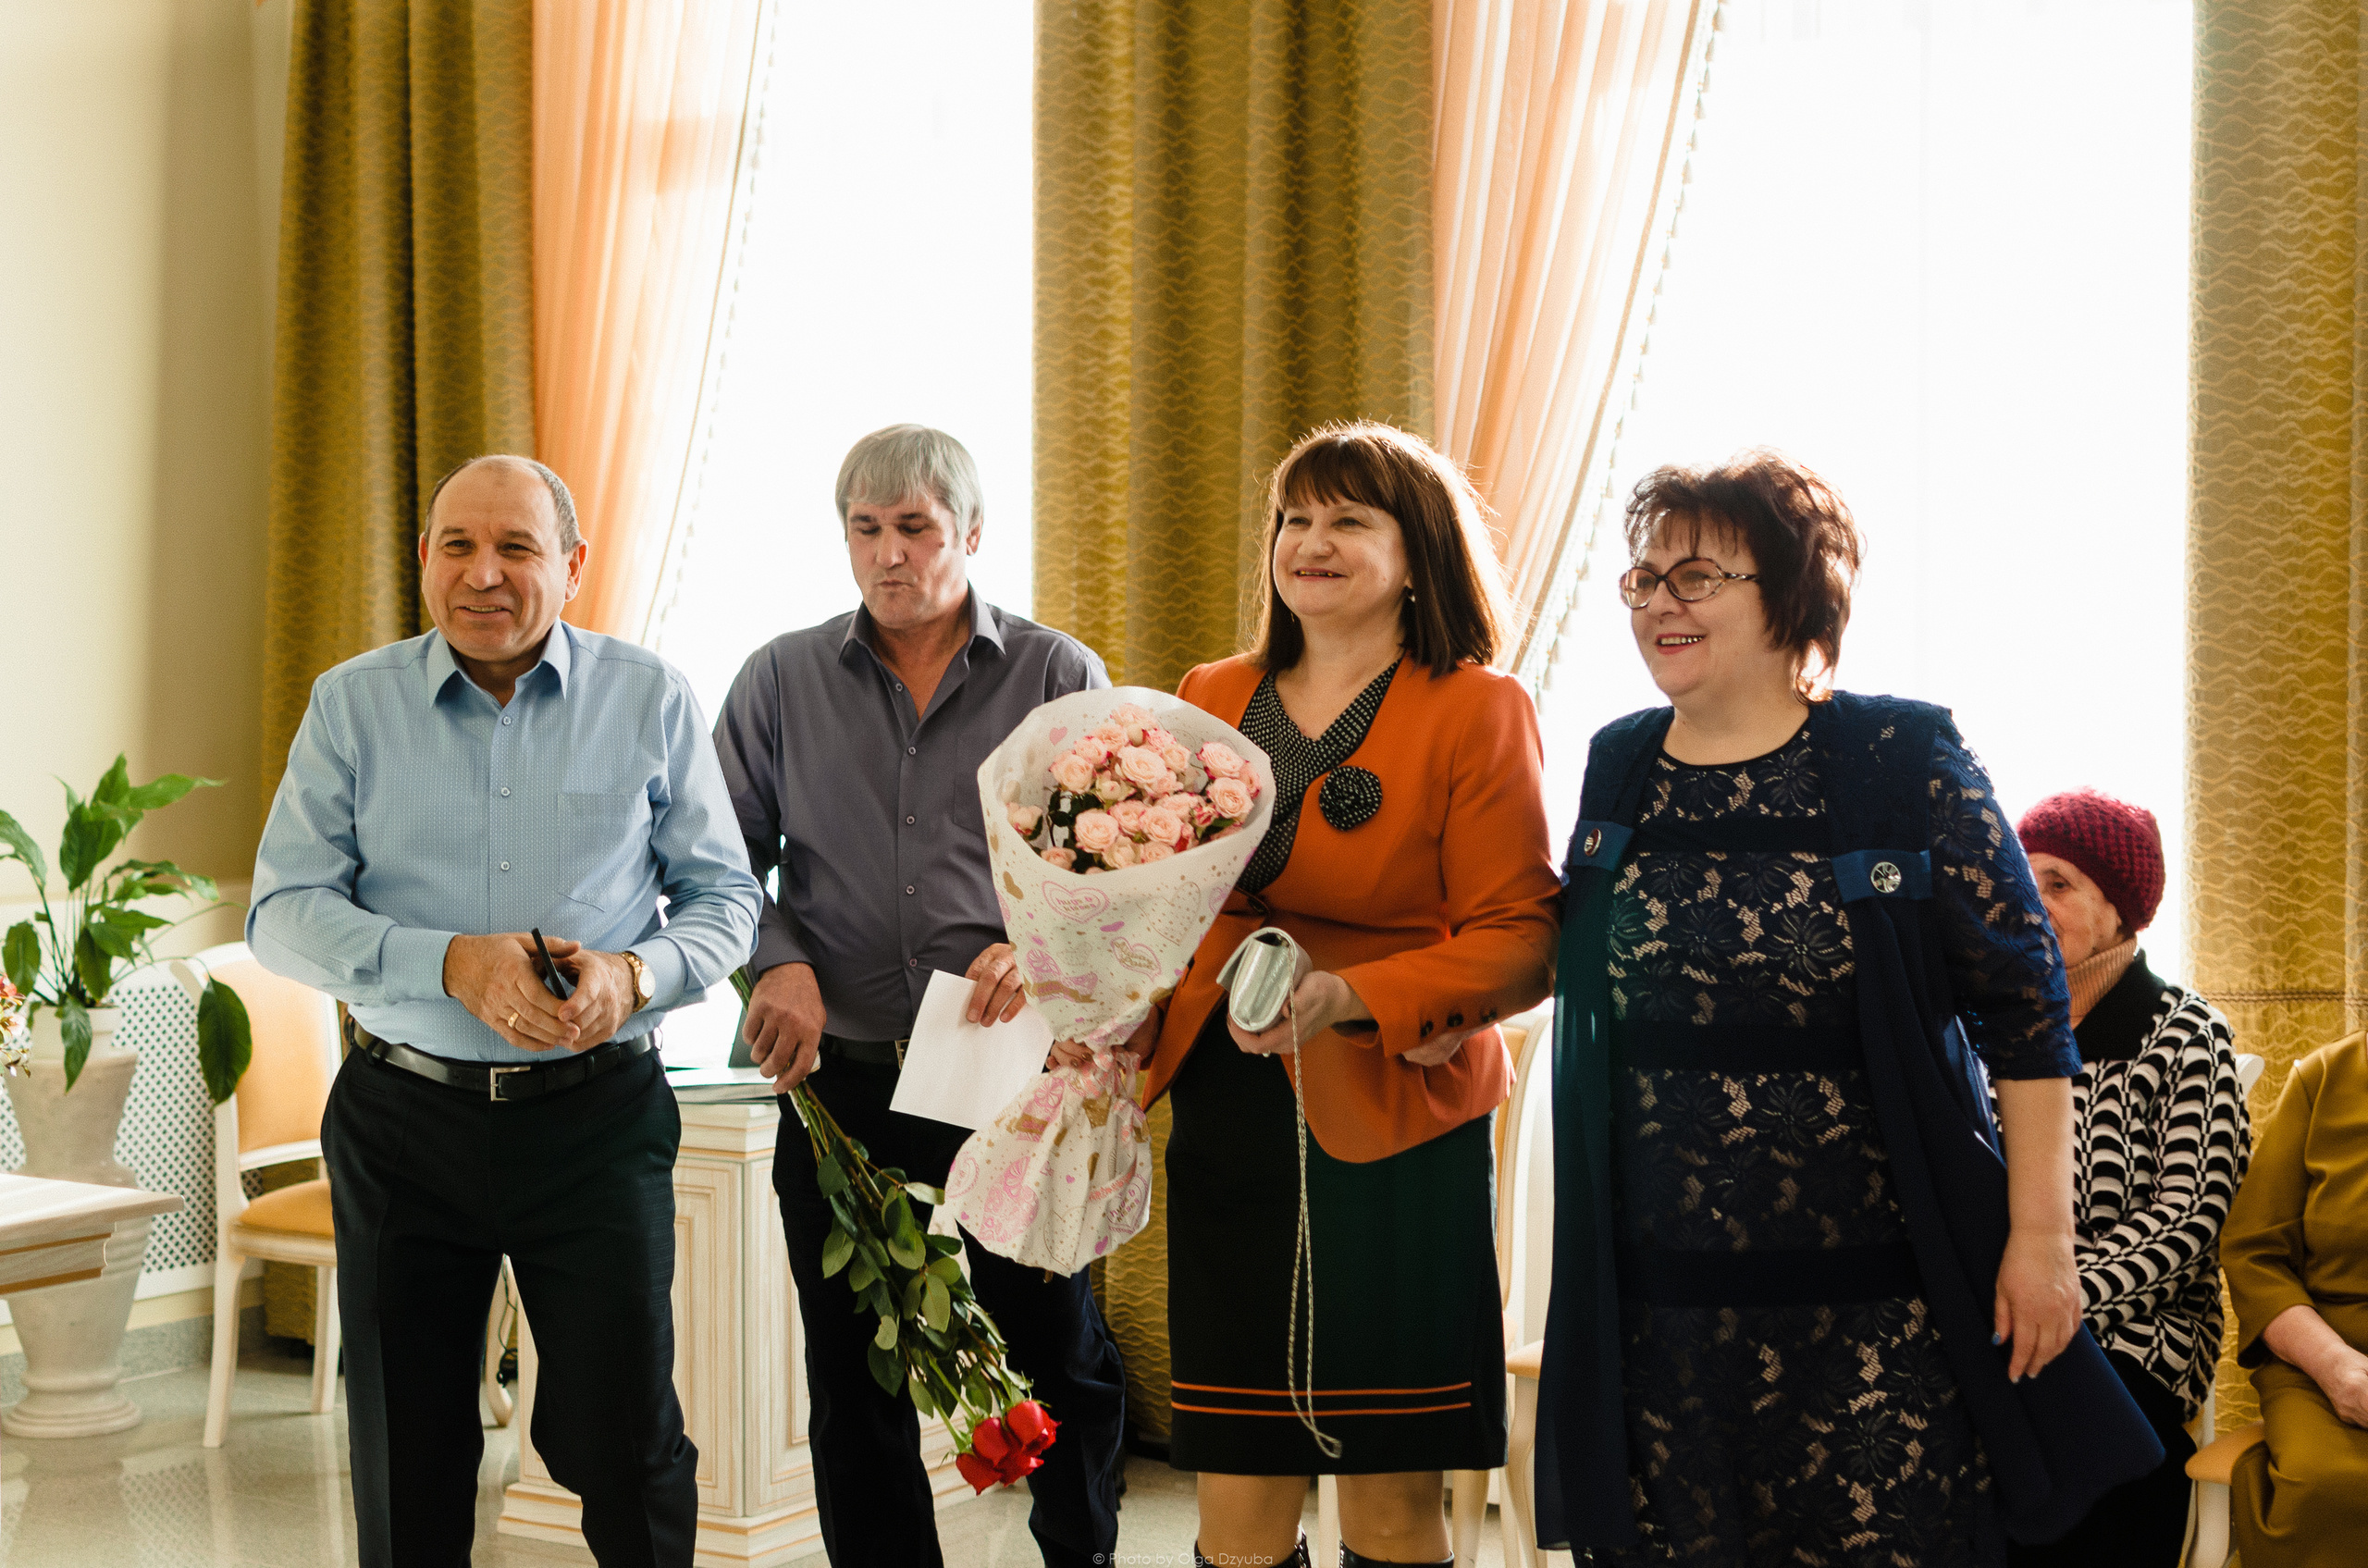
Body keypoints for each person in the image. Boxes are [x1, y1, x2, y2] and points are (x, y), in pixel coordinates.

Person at [1535, 451, 2162, 1566]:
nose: (1658, 604)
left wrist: (2041, 1240)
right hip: (1663, 1300)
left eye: (1694, 577)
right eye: (1642, 579)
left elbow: (2024, 1008)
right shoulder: (1618, 760)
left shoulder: (1897, 753)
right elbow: (1569, 962)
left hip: (1877, 1293)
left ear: (1790, 592)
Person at [249, 455, 762, 1568]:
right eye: (458, 546)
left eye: (517, 548)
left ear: (572, 568)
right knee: (406, 1444)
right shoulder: (352, 702)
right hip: (401, 1120)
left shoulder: (651, 697)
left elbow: (727, 900)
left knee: (625, 1436)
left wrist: (637, 976)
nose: (484, 574)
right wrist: (445, 964)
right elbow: (280, 913)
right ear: (423, 558)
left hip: (597, 1120)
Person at [1126, 421, 1560, 1568]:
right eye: (1294, 519)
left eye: (1348, 520)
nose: (1309, 544)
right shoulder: (1209, 693)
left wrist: (1344, 995)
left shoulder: (1477, 706)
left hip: (1395, 1117)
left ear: (1417, 554)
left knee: (1386, 1506)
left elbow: (1522, 939)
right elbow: (1159, 901)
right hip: (1232, 1113)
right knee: (1241, 1503)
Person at [711, 425, 1128, 1568]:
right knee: (855, 1374)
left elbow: (1115, 872)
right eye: (866, 529)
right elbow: (712, 861)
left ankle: (1079, 1555)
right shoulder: (778, 679)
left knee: (1056, 1345)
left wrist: (1032, 945)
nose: (889, 554)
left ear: (971, 535)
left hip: (1006, 1076)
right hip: (841, 1079)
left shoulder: (1057, 675)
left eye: (915, 528)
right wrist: (775, 954)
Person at [2004, 788, 2251, 1567]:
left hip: (2142, 1323)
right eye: (2024, 879)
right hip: (2004, 1307)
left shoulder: (2186, 1032)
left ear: (2121, 910)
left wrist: (2061, 1292)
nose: (2033, 902)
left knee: (2065, 1432)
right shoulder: (1997, 1032)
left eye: (2060, 884)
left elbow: (2190, 1216)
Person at [2220, 1031, 2368, 1564]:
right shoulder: (2325, 1077)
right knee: (2329, 1488)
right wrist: (2337, 1367)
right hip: (2326, 1356)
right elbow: (2255, 1252)